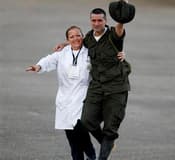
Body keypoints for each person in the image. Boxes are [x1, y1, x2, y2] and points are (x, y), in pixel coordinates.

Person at [25, 26, 125, 160]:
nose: (75, 39)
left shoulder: (90, 51)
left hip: (84, 97)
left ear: (83, 37)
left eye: (78, 35)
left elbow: (107, 54)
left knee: (80, 130)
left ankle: (93, 153)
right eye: (71, 37)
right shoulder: (62, 53)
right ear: (67, 39)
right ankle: (89, 155)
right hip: (65, 99)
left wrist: (121, 54)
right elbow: (49, 60)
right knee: (72, 139)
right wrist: (38, 66)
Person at [54, 4, 132, 160]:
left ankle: (102, 155)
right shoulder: (88, 38)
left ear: (105, 21)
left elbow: (119, 32)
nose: (97, 23)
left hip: (116, 87)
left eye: (100, 20)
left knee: (110, 128)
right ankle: (106, 143)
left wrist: (121, 21)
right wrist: (65, 44)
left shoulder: (112, 35)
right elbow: (77, 42)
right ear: (90, 21)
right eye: (93, 20)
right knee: (86, 121)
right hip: (97, 86)